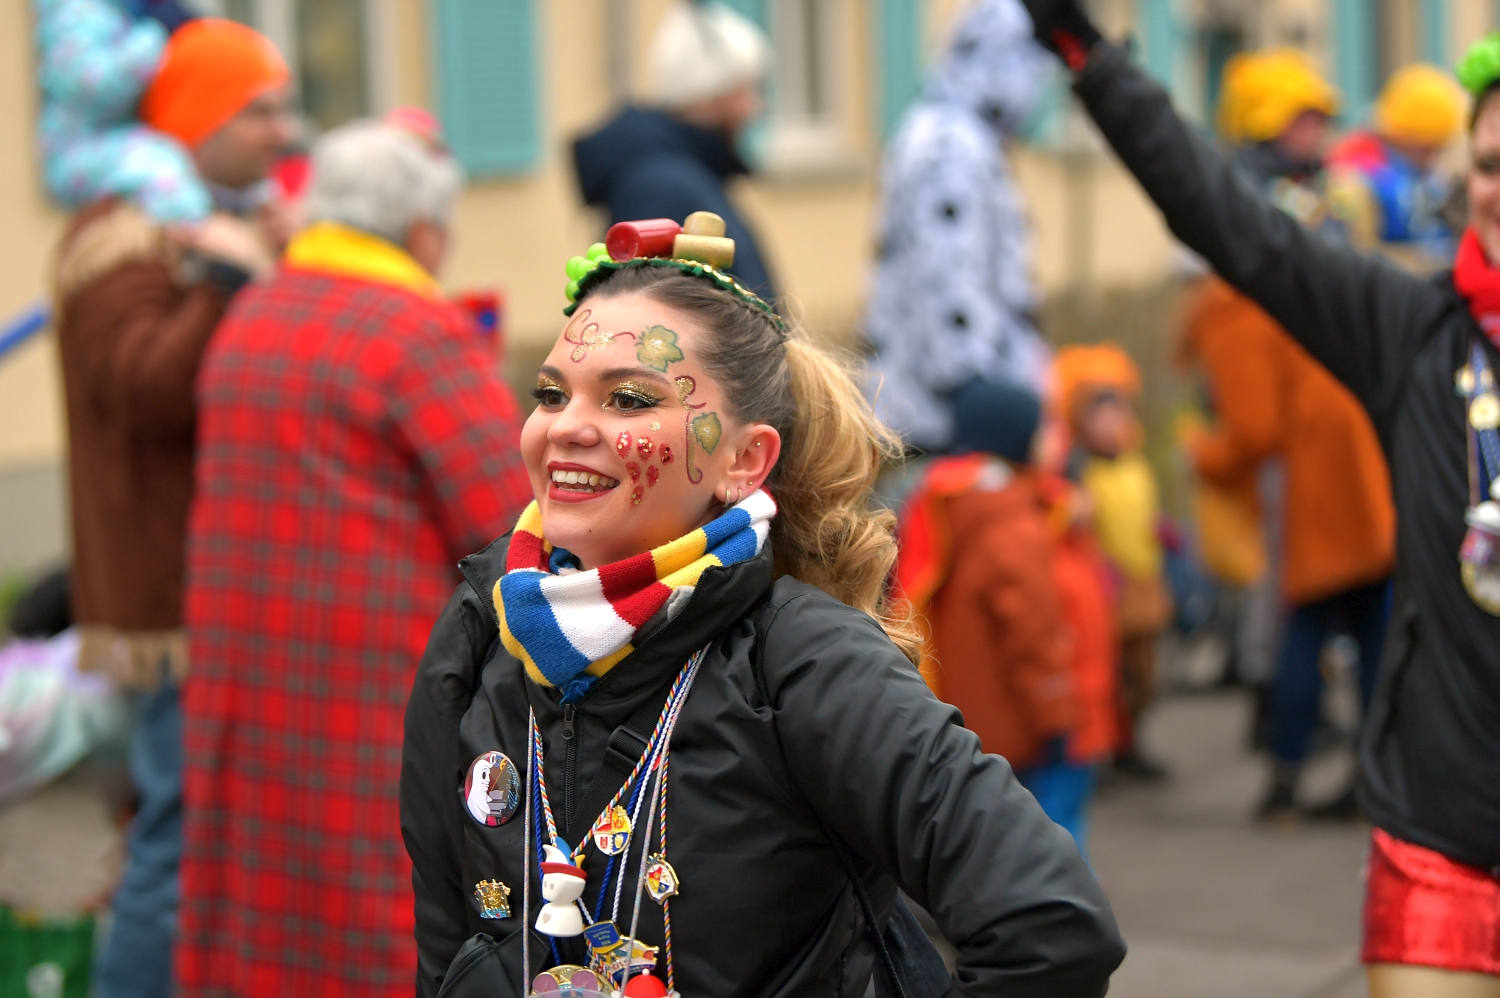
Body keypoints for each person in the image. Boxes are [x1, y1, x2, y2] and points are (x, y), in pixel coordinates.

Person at [400, 216, 1126, 997]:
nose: (566, 427)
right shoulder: (480, 633)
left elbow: (1053, 928)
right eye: (550, 393)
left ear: (744, 460)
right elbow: (446, 950)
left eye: (629, 399)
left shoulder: (805, 659)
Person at [1019, 3, 1500, 993]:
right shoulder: (1417, 334)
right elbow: (1234, 227)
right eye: (1490, 163)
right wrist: (1089, 56)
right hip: (1443, 849)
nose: (1499, 188)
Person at [175, 118, 532, 997]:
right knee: (376, 906)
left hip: (250, 677)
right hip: (373, 686)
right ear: (423, 232)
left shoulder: (252, 314)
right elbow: (509, 524)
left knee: (262, 905)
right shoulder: (417, 332)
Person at [50, 19, 291, 998]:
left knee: (217, 829)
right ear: (197, 119)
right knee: (178, 831)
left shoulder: (211, 219)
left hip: (214, 580)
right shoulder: (122, 239)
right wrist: (227, 281)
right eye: (258, 111)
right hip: (171, 596)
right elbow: (144, 391)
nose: (282, 132)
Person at [1182, 279, 1394, 822]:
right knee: (1371, 626)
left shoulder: (1231, 318)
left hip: (1315, 480)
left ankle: (1286, 780)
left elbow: (1254, 429)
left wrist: (1205, 457)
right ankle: (1375, 776)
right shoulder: (1269, 290)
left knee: (1305, 622)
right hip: (1357, 464)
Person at [896, 378, 1116, 857]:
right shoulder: (1009, 518)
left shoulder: (954, 502)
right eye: (1043, 428)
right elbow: (1032, 628)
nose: (1054, 439)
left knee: (997, 832)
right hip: (1032, 719)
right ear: (1013, 437)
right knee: (1051, 833)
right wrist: (1057, 712)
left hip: (979, 715)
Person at [865, 0, 1055, 451]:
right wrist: (985, 400)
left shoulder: (953, 135)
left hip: (948, 407)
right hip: (949, 419)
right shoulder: (949, 148)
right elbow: (948, 288)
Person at [572, 1, 777, 299]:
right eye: (747, 90)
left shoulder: (687, 173)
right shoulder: (663, 187)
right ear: (712, 95)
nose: (755, 108)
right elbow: (656, 311)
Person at [1055, 345, 1170, 780]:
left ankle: (1131, 741)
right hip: (1106, 590)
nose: (1111, 426)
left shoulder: (1135, 465)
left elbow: (1142, 513)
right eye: (1100, 419)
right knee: (1110, 675)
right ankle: (1112, 748)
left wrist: (1161, 531)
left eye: (1117, 416)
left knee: (1145, 672)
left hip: (1144, 583)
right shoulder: (1079, 473)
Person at [34, 0, 211, 223]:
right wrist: (155, 37)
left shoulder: (123, 10)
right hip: (75, 151)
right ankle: (196, 232)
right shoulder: (76, 11)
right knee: (163, 172)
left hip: (117, 140)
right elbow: (88, 86)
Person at [1327, 64, 1467, 270]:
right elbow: (1354, 254)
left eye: (1437, 146)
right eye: (1425, 146)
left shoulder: (1434, 176)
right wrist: (1425, 262)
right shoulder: (1354, 178)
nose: (1431, 155)